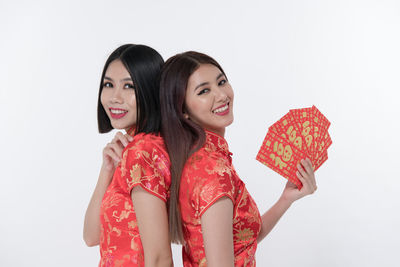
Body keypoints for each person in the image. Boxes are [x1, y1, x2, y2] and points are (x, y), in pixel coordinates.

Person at [160, 51, 317, 267]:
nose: (222, 95)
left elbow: (243, 240)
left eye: (221, 82)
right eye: (204, 90)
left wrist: (286, 198)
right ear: (183, 110)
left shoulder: (200, 161)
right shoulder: (213, 171)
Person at [83, 44, 173, 267]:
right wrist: (108, 170)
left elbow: (160, 258)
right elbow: (92, 237)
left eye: (128, 86)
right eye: (108, 84)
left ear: (150, 90)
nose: (115, 97)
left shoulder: (142, 152)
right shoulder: (133, 150)